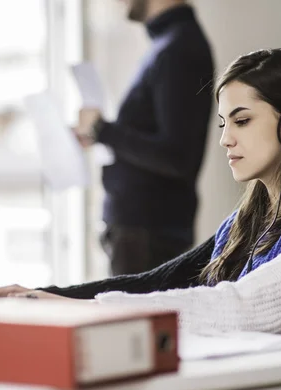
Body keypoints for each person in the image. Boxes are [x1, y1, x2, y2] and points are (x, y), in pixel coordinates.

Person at [0, 48, 281, 341]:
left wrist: (61, 309)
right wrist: (37, 297)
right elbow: (155, 282)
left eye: (243, 120)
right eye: (222, 124)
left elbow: (246, 310)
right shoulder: (251, 221)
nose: (225, 140)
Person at [76, 0, 215, 275]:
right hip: (142, 232)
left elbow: (177, 156)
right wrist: (101, 134)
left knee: (131, 318)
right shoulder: (169, 44)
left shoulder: (179, 48)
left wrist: (104, 130)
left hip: (148, 233)